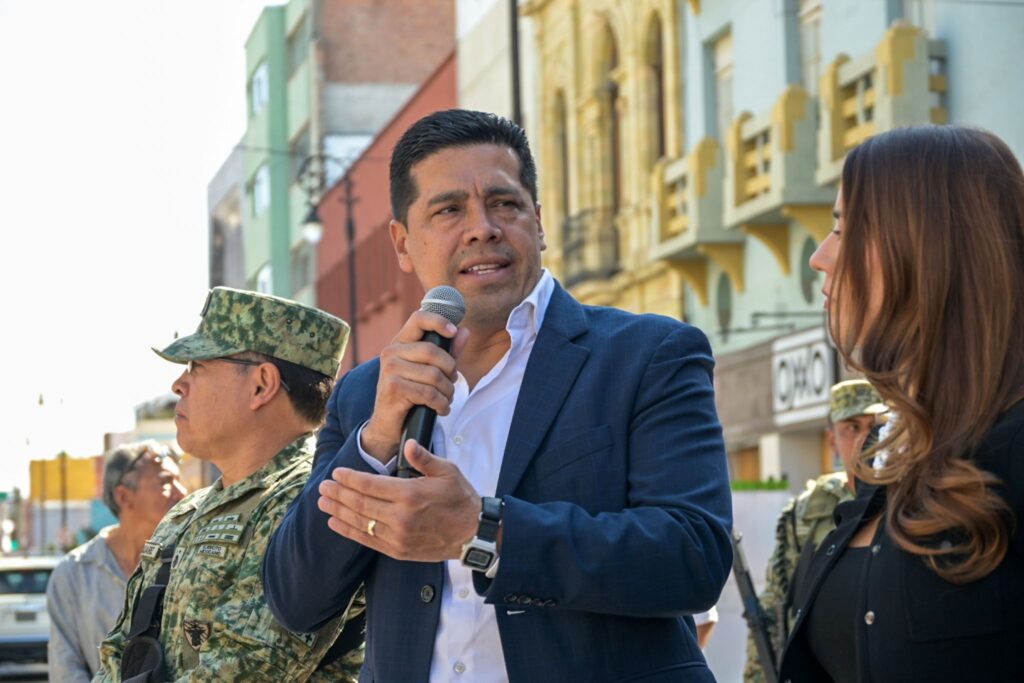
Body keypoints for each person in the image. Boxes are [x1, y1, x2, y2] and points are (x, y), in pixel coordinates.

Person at [263, 109, 733, 682]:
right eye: (448, 209)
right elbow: (297, 600)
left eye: (504, 203)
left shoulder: (648, 355)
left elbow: (694, 557)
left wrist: (483, 531)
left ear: (539, 222)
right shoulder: (366, 394)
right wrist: (377, 439)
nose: (482, 227)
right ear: (403, 244)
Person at [779, 125, 1024, 682]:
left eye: (844, 229)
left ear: (928, 249)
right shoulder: (891, 455)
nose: (820, 257)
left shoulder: (1012, 443)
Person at [95, 287, 364, 682]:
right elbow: (120, 652)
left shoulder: (312, 504)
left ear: (261, 385)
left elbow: (243, 670)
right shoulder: (187, 513)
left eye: (197, 366)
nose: (179, 384)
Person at [743, 379, 887, 682]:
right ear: (832, 440)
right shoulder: (808, 511)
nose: (865, 437)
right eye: (851, 427)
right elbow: (775, 604)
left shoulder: (904, 499)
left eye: (874, 426)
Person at [46, 441, 186, 682]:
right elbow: (65, 669)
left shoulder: (190, 560)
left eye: (179, 480)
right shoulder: (74, 573)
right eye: (166, 481)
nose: (182, 492)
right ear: (123, 496)